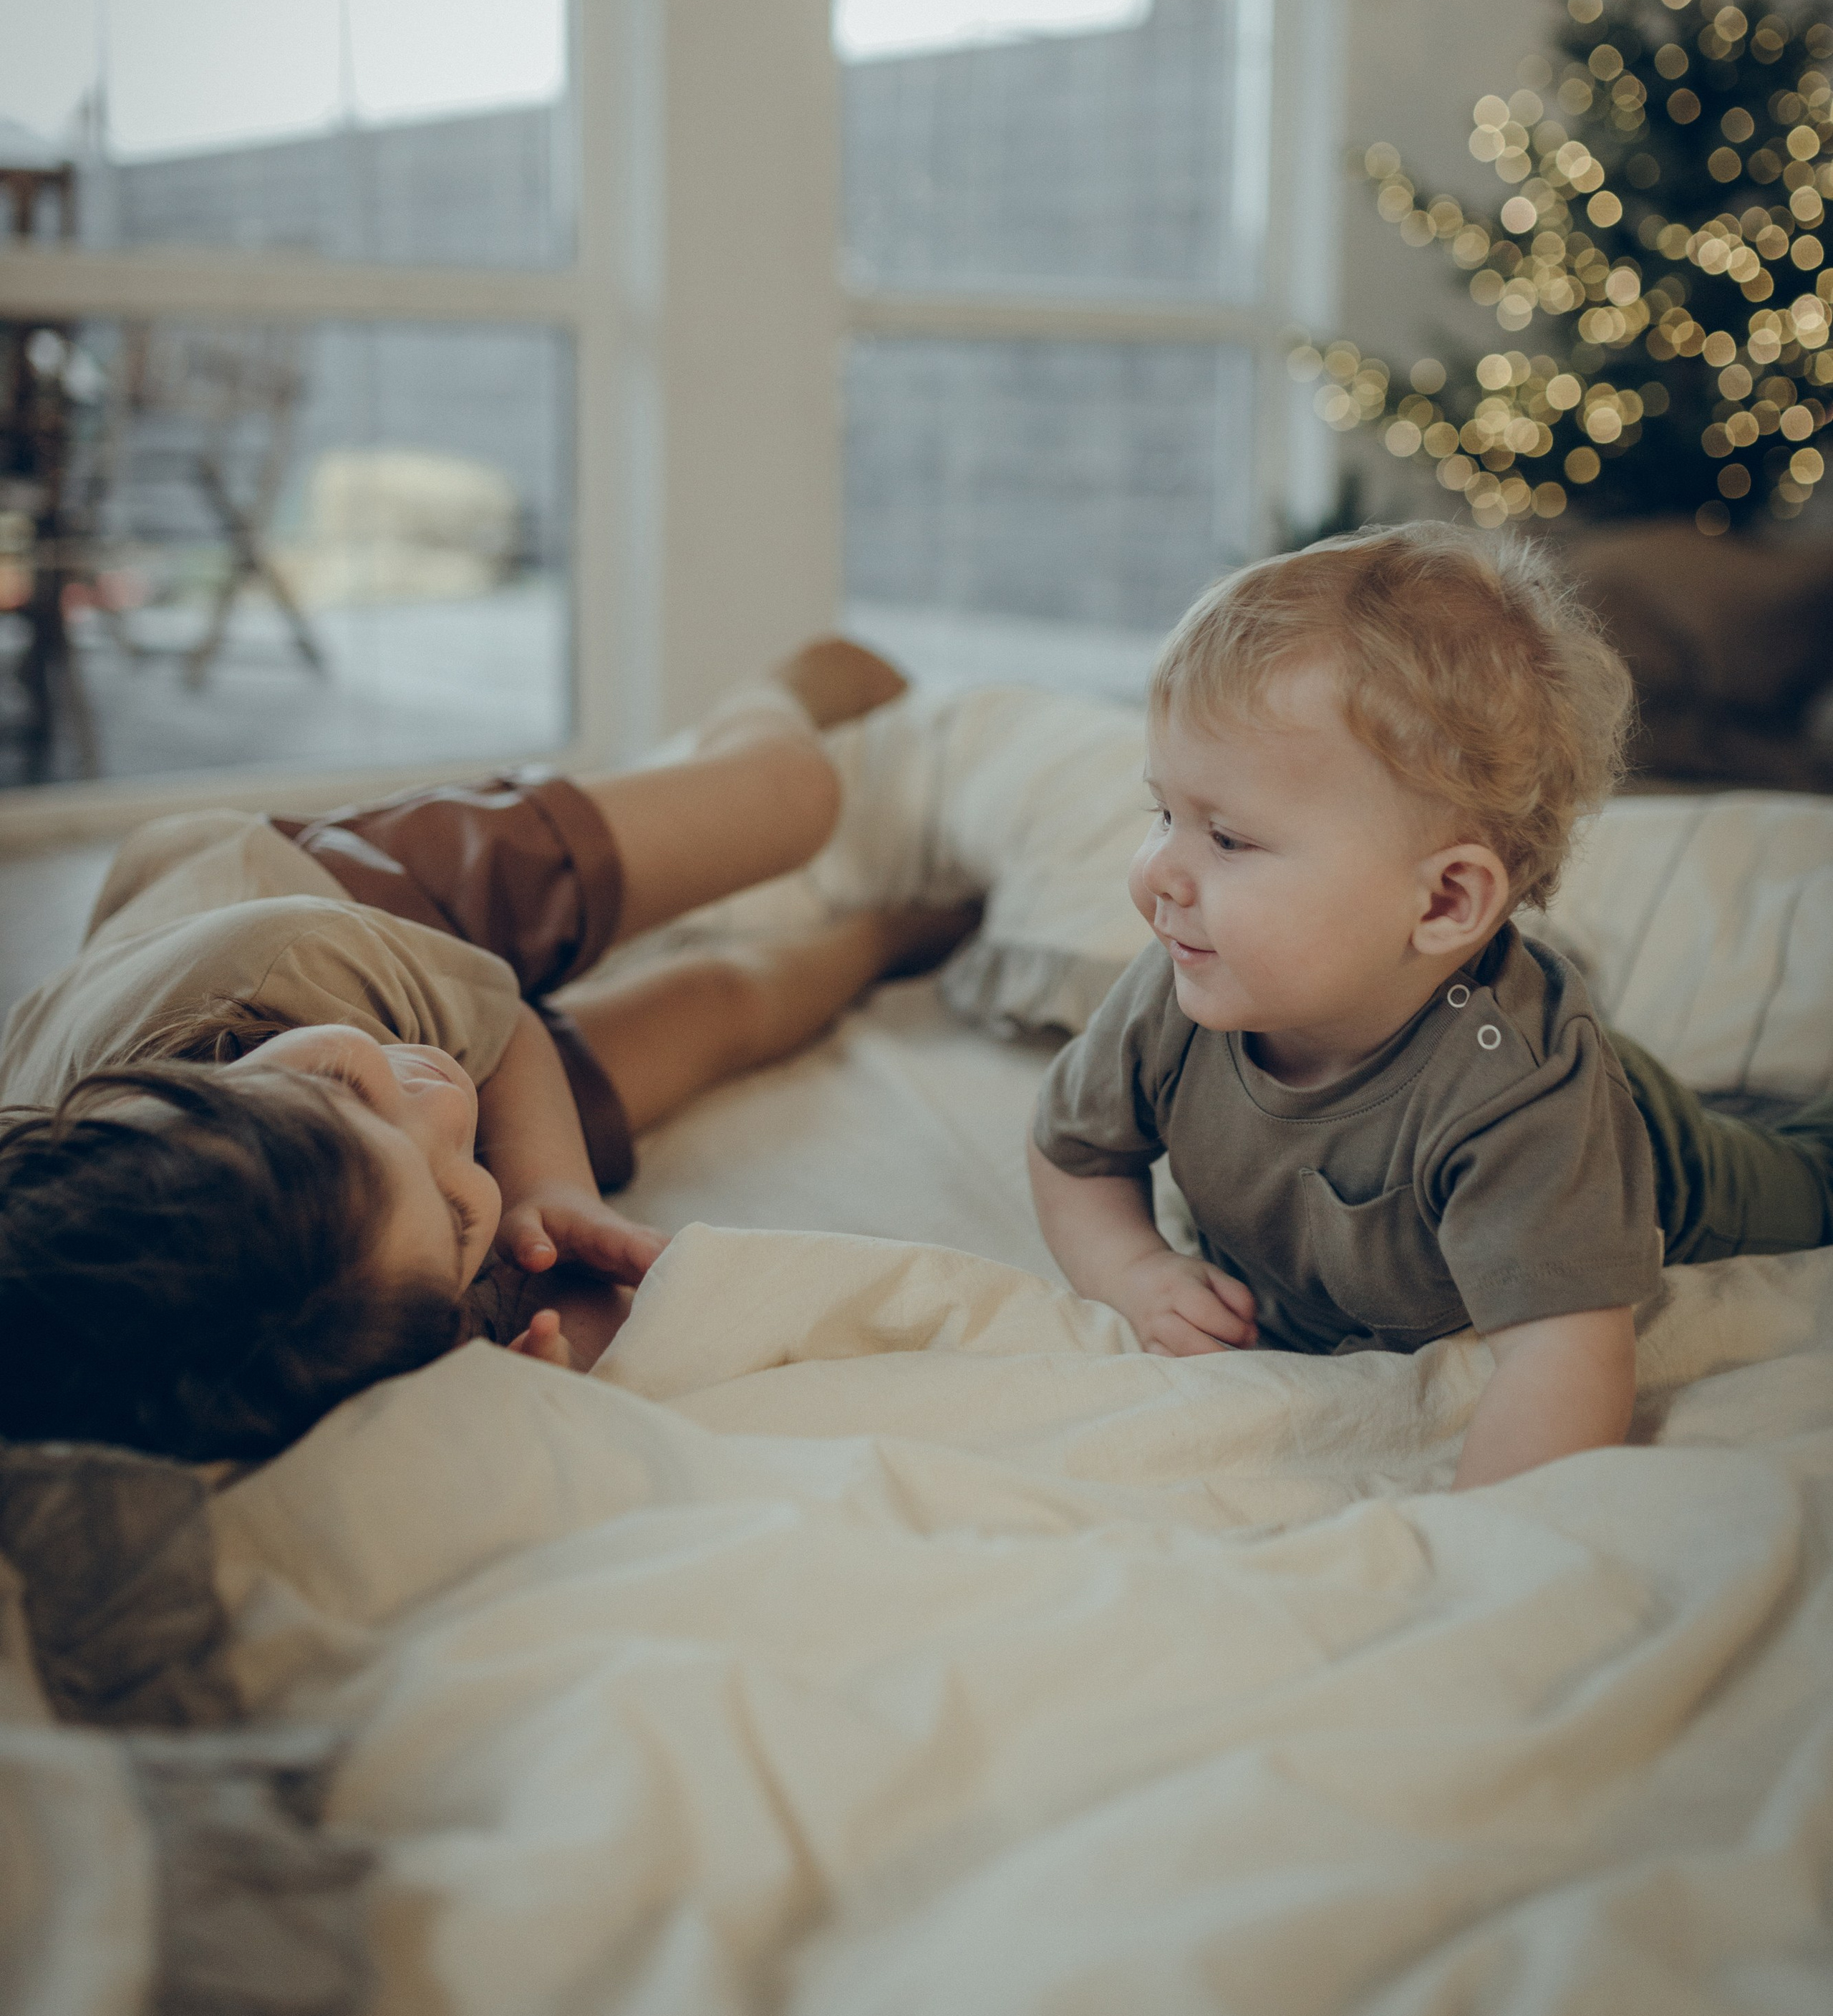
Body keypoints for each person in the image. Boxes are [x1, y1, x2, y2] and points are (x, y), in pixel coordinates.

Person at [0, 639, 972, 1462]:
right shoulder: (279, 1326)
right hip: (353, 1043)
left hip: (343, 896)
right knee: (717, 1010)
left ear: (202, 1088)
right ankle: (888, 938)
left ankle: (792, 683)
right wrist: (510, 1366)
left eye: (351, 1090)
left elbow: (496, 1033)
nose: (446, 1108)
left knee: (790, 802)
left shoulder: (277, 960)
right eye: (461, 1213)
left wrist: (555, 1188)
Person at [1027, 526, 1833, 1489]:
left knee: (1810, 1172)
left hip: (1673, 1159)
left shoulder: (1517, 1096)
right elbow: (1070, 1153)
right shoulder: (1179, 986)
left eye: (1229, 839)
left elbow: (1567, 1358)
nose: (1161, 872)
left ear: (1445, 902)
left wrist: (1476, 1537)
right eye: (1165, 815)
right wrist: (1134, 1271)